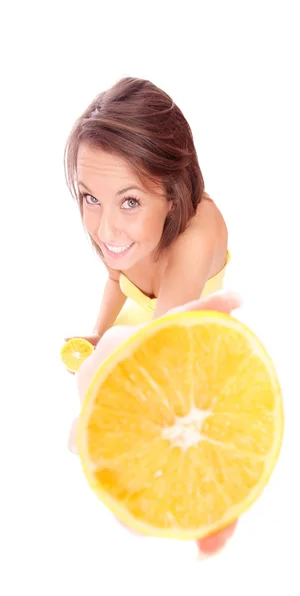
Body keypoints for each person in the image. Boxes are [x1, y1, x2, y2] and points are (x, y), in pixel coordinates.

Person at [64, 77, 236, 557]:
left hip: (187, 341)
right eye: (89, 197)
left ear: (173, 192)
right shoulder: (119, 232)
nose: (104, 226)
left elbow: (162, 349)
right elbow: (116, 280)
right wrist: (98, 334)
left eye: (130, 200)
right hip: (152, 331)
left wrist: (95, 419)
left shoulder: (193, 238)